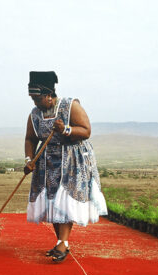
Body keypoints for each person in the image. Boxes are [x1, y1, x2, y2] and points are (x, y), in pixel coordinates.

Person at [24, 71, 107, 263]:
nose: (35, 103)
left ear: (49, 95)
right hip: (47, 162)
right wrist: (29, 159)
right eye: (33, 99)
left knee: (66, 199)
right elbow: (30, 138)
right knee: (52, 201)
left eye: (38, 98)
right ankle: (61, 242)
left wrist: (66, 129)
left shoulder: (71, 106)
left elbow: (86, 131)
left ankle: (63, 243)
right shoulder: (35, 114)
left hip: (72, 160)